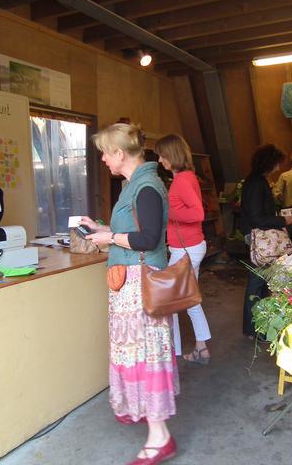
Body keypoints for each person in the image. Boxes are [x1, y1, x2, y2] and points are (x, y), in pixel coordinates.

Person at [80, 123, 177, 465]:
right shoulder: (135, 184)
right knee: (138, 351)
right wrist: (102, 229)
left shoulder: (146, 186)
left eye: (105, 153)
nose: (103, 159)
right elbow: (134, 230)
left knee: (146, 353)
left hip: (140, 283)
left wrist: (109, 239)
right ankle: (144, 412)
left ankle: (160, 437)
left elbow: (148, 238)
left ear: (120, 153)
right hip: (132, 282)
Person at [155, 134, 211, 365]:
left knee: (169, 301)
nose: (159, 160)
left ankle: (173, 352)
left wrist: (166, 211)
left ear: (172, 154)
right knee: (189, 299)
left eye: (162, 155)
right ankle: (201, 348)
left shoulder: (181, 180)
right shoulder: (187, 177)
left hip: (185, 249)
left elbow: (197, 213)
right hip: (190, 247)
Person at [240, 144, 292, 338]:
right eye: (277, 164)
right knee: (257, 283)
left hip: (259, 238)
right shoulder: (257, 183)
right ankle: (253, 329)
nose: (278, 168)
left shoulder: (255, 180)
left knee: (262, 282)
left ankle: (260, 327)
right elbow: (257, 217)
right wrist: (282, 221)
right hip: (260, 240)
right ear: (269, 163)